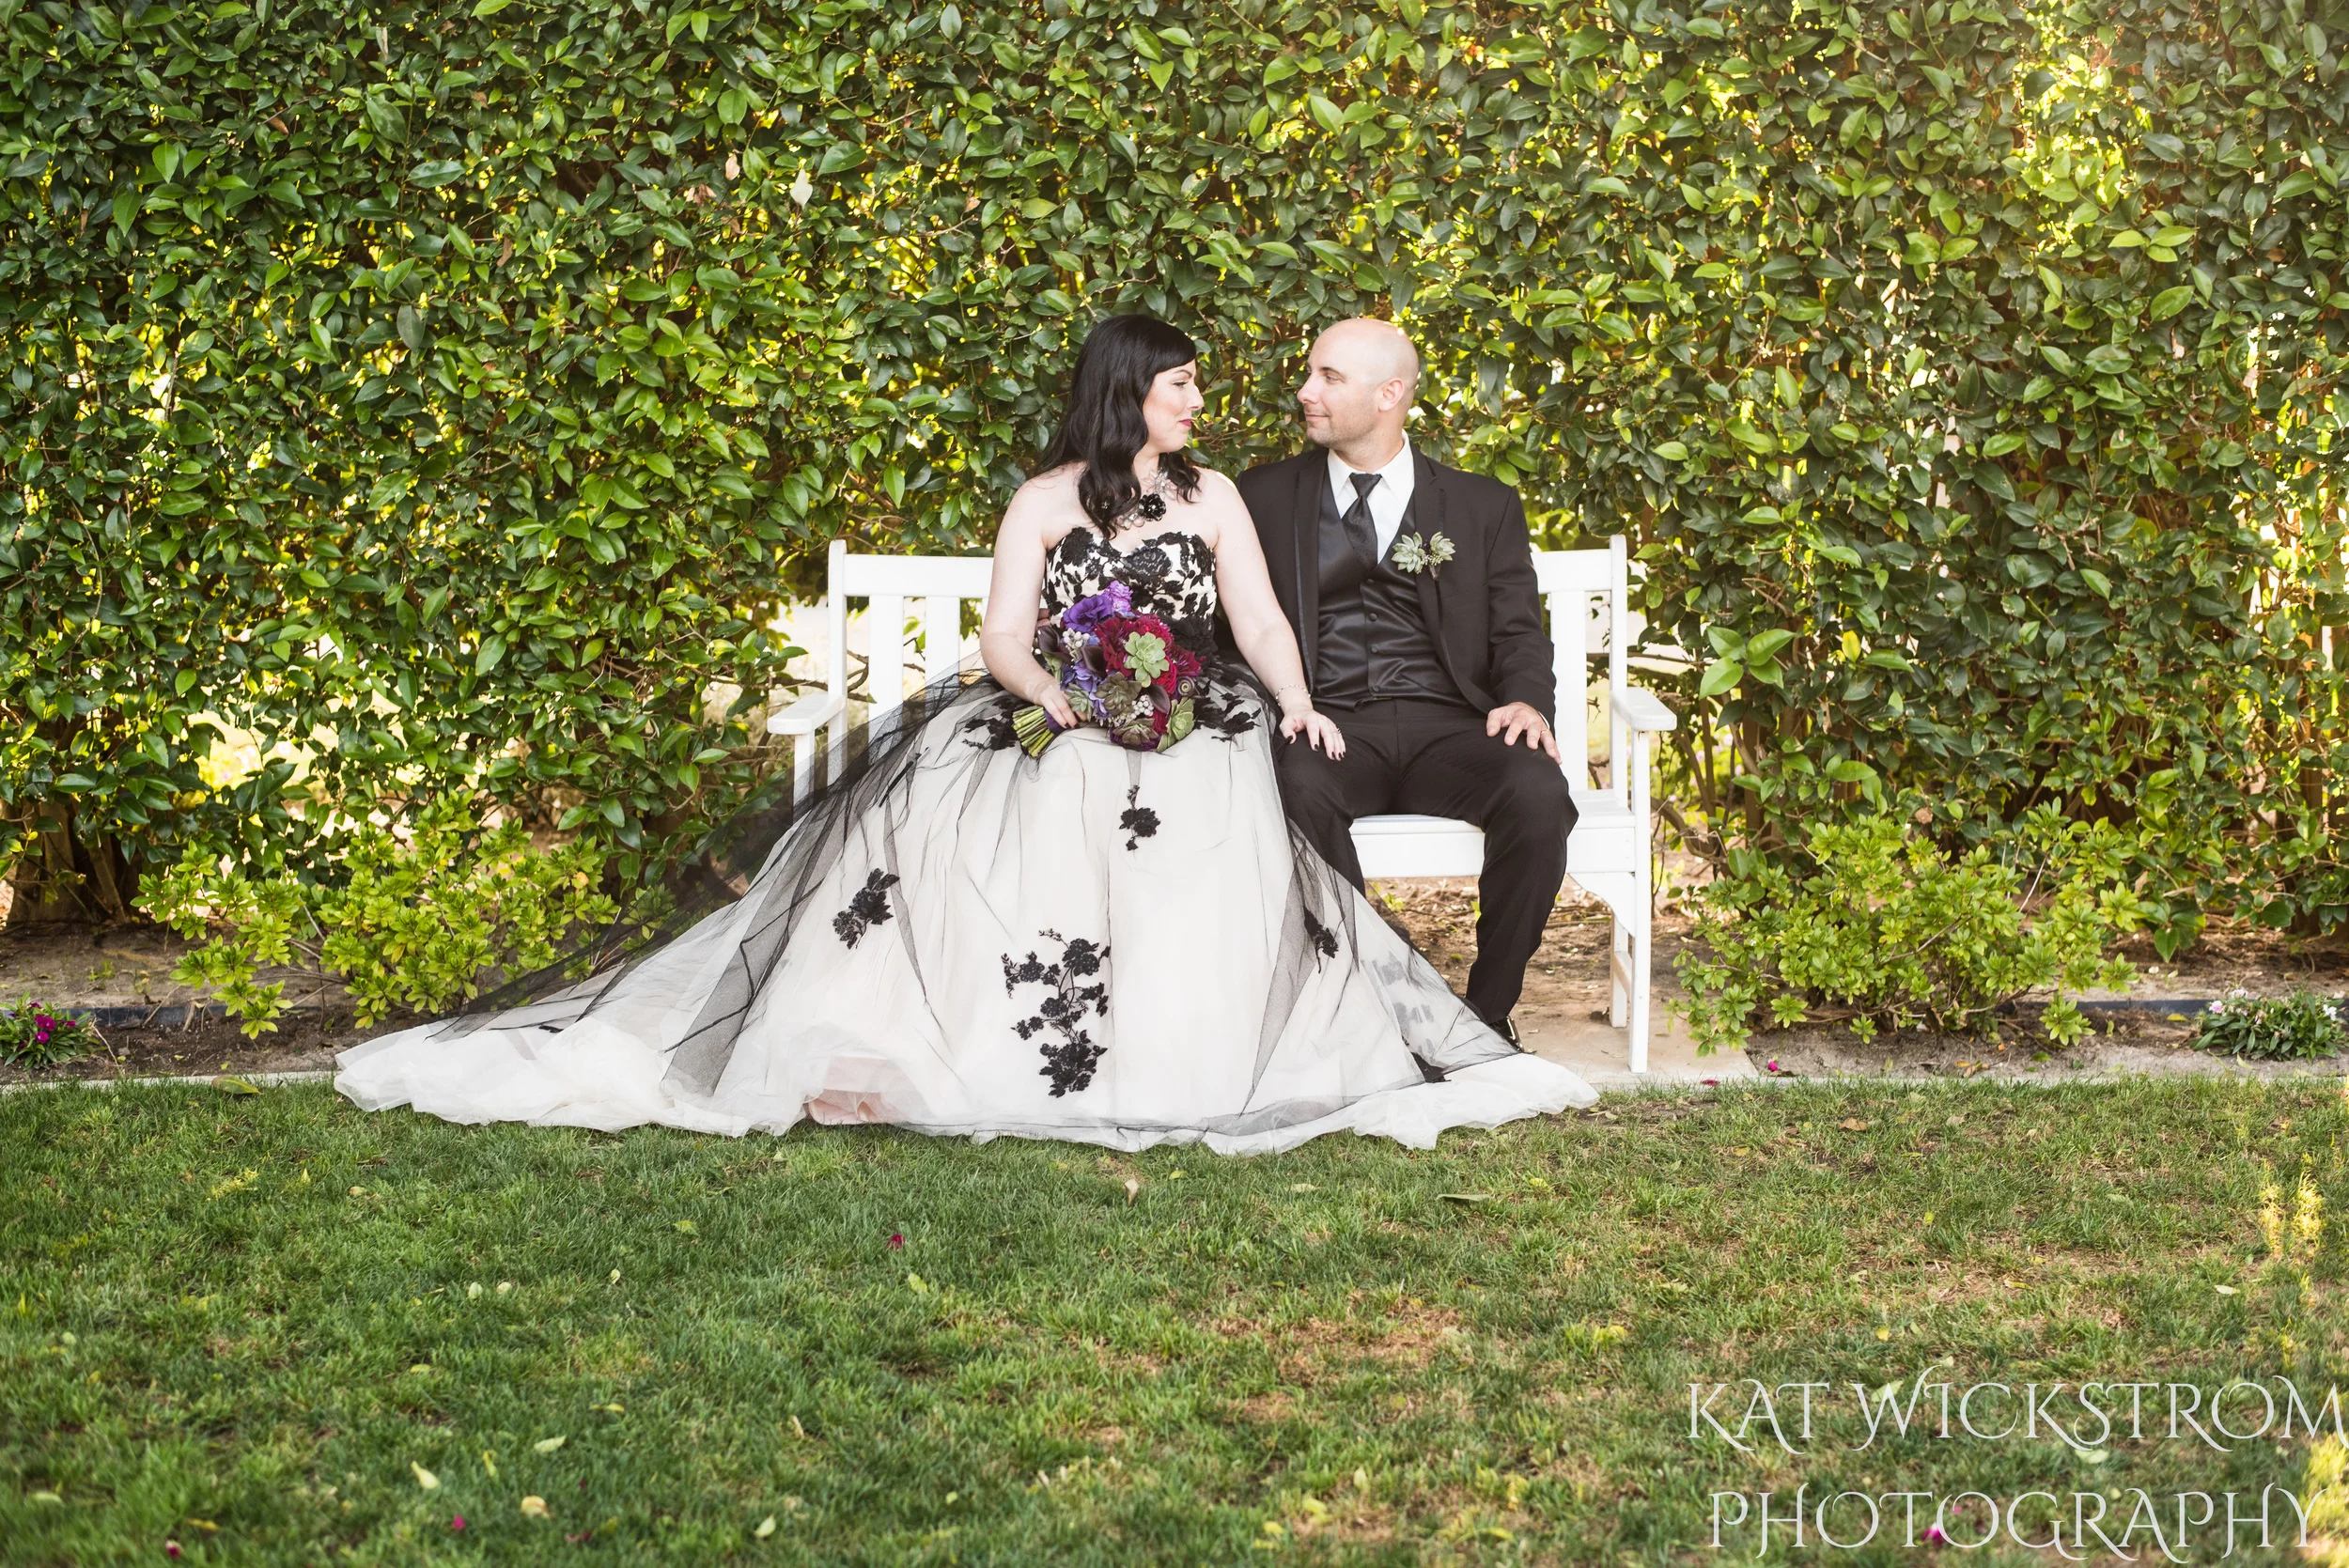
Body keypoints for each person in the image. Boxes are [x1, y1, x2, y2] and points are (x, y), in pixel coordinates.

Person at [334, 314, 1593, 1154]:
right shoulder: (1046, 501)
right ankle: (972, 1046)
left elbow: (1259, 620)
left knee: (1221, 794)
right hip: (1060, 706)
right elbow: (1003, 633)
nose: (1209, 398)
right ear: (1131, 396)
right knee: (1014, 806)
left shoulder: (1216, 498)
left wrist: (1297, 697)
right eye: (1182, 382)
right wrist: (1055, 695)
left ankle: (1215, 1045)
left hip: (1193, 715)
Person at [1235, 319, 1575, 1044]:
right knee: (1294, 790)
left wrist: (1525, 699)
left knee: (1540, 791)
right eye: (1310, 374)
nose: (1305, 391)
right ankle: (1368, 1006)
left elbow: (1518, 627)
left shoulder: (1483, 505)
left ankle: (1484, 1017)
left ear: (1390, 394)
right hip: (1330, 726)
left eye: (1329, 377)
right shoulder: (1260, 498)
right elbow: (1238, 625)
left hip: (1449, 727)